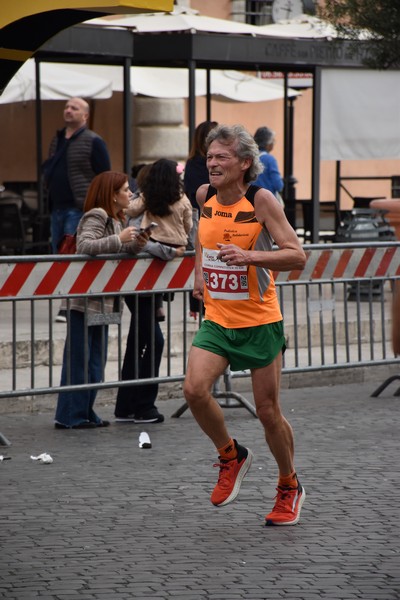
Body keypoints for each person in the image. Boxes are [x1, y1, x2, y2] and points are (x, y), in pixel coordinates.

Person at [182, 124, 307, 526]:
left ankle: (289, 484)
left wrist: (251, 258)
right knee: (193, 390)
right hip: (218, 318)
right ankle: (230, 456)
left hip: (260, 320)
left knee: (268, 413)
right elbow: (203, 239)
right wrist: (199, 272)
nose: (212, 163)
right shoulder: (204, 196)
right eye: (210, 156)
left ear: (244, 163)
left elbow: (296, 255)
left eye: (221, 157)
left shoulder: (262, 200)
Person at [54, 171, 148, 429]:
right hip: (85, 301)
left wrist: (137, 243)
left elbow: (118, 250)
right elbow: (85, 245)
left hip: (106, 301)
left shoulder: (118, 218)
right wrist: (120, 239)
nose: (130, 193)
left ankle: (86, 410)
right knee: (79, 360)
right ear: (112, 194)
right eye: (126, 189)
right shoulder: (97, 214)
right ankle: (70, 415)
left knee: (97, 360)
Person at [114, 160, 190, 424]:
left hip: (143, 280)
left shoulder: (147, 201)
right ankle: (144, 406)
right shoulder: (167, 201)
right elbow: (185, 227)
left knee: (138, 341)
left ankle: (126, 406)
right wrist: (174, 249)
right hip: (142, 282)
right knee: (153, 341)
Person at [42, 97, 111, 322]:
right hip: (57, 207)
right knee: (59, 254)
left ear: (85, 116)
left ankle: (68, 305)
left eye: (75, 108)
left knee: (73, 253)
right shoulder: (58, 139)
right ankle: (65, 299)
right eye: (67, 107)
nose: (68, 110)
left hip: (79, 207)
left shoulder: (93, 141)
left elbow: (104, 175)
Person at [125, 158, 193, 321]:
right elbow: (188, 224)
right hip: (177, 243)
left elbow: (132, 210)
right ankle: (159, 307)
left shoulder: (149, 196)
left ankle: (155, 308)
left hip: (154, 241)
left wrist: (141, 194)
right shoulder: (182, 198)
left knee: (148, 280)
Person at [184, 120, 218, 318]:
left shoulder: (194, 163)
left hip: (204, 216)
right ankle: (198, 306)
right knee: (203, 256)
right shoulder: (198, 164)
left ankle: (198, 307)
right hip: (203, 217)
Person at [253, 126, 284, 202]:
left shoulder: (249, 158)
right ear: (268, 144)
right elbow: (278, 185)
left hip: (250, 201)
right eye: (273, 140)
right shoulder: (270, 160)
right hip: (267, 201)